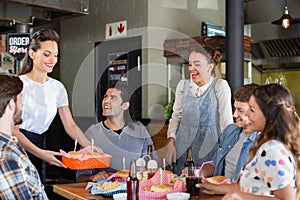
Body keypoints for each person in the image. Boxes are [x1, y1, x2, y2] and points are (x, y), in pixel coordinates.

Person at [13, 28, 100, 184]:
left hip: (41, 146)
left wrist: (90, 147)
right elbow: (13, 130)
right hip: (17, 147)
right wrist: (41, 153)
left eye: (55, 55)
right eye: (47, 54)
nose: (52, 59)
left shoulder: (58, 87)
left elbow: (70, 125)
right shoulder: (19, 84)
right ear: (32, 54)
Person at [198, 84, 300, 200]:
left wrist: (239, 196)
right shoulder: (270, 145)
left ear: (268, 113)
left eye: (252, 110)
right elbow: (251, 187)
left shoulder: (272, 149)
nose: (247, 115)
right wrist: (213, 188)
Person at [165, 45, 233, 175]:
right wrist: (170, 141)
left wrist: (225, 157)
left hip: (208, 156)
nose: (191, 69)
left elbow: (227, 125)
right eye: (190, 64)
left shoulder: (220, 86)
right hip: (180, 153)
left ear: (210, 66)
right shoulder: (182, 86)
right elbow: (176, 116)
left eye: (196, 64)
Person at [76, 82, 158, 182]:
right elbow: (80, 177)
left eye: (113, 98)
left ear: (125, 105)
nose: (106, 101)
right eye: (105, 97)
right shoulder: (92, 133)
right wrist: (92, 177)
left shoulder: (140, 131)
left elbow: (153, 167)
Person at [0, 74, 48, 199]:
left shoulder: (10, 145)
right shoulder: (6, 157)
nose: (24, 104)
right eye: (21, 98)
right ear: (11, 104)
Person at [200, 83, 259, 183]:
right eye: (235, 108)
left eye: (240, 110)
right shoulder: (230, 130)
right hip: (221, 192)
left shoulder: (264, 141)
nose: (234, 114)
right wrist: (196, 174)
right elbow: (215, 164)